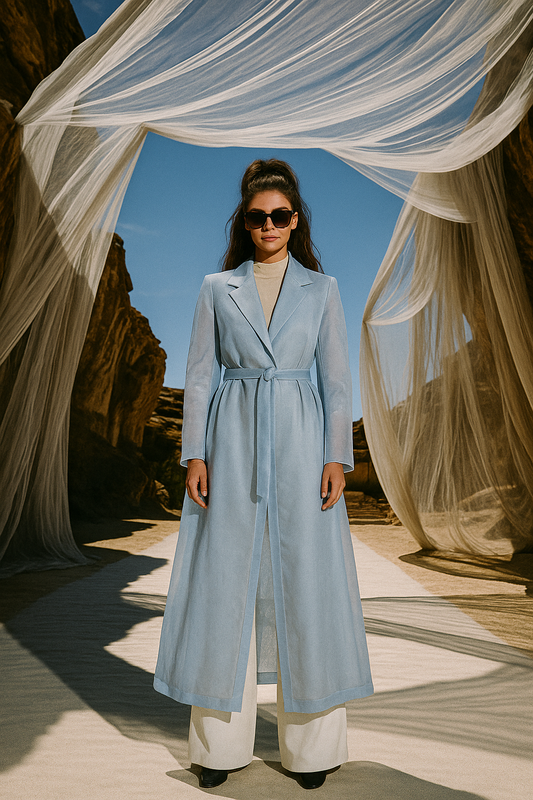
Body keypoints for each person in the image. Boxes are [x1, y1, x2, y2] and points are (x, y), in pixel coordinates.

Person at [154, 159, 373, 790]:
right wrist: (196, 454)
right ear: (244, 223)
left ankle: (313, 752)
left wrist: (336, 458)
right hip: (232, 437)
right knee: (226, 582)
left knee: (308, 582)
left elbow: (336, 380)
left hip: (304, 441)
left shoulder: (323, 290)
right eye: (257, 217)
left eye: (280, 215)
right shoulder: (216, 288)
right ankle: (218, 749)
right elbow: (200, 375)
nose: (269, 225)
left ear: (295, 220)